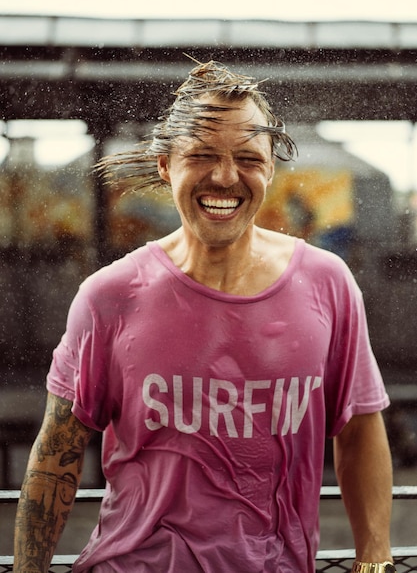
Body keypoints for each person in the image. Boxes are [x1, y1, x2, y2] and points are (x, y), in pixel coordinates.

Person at [13, 60, 395, 573]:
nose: (225, 177)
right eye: (202, 156)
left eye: (246, 158)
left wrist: (375, 561)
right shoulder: (111, 296)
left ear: (271, 167)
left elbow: (360, 429)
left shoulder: (326, 283)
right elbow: (56, 453)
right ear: (166, 163)